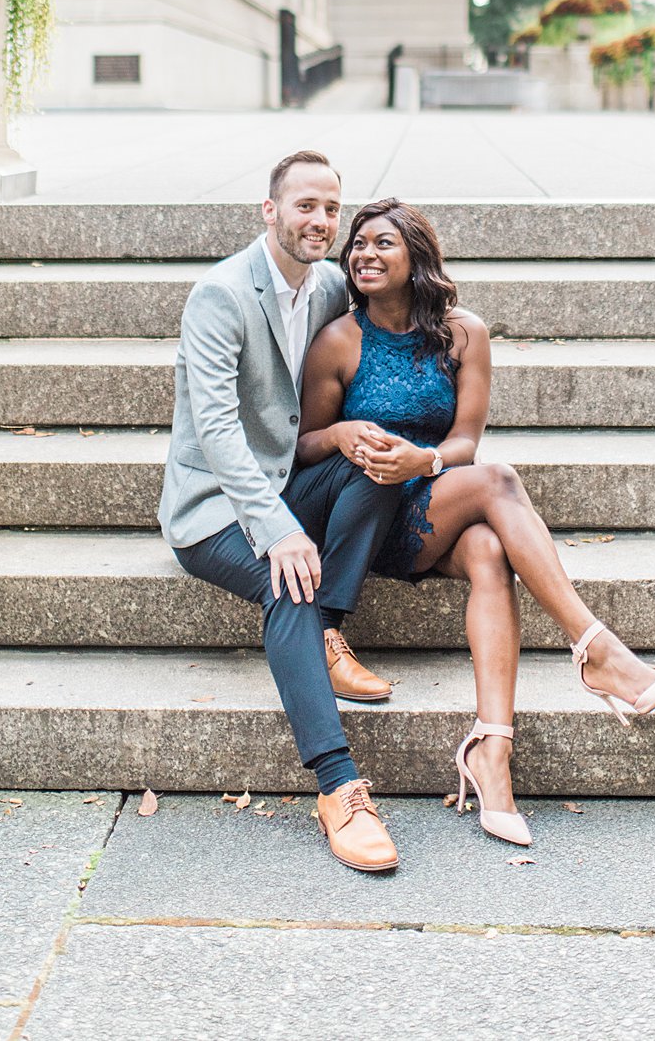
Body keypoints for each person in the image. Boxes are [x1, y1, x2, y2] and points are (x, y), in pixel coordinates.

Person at [298, 197, 655, 849]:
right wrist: (343, 435)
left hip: (430, 506)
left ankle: (493, 755)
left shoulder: (464, 334)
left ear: (416, 257)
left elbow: (463, 445)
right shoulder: (339, 340)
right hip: (363, 522)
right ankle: (596, 651)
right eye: (357, 245)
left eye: (382, 244)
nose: (365, 254)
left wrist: (420, 461)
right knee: (501, 483)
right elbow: (304, 447)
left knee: (486, 548)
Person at [158, 152, 405, 873]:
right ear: (270, 211)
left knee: (377, 458)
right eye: (305, 206)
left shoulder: (328, 285)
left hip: (282, 478)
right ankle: (338, 787)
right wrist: (279, 531)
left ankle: (325, 636)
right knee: (286, 579)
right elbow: (216, 430)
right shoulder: (221, 295)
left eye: (331, 208)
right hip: (212, 509)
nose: (321, 221)